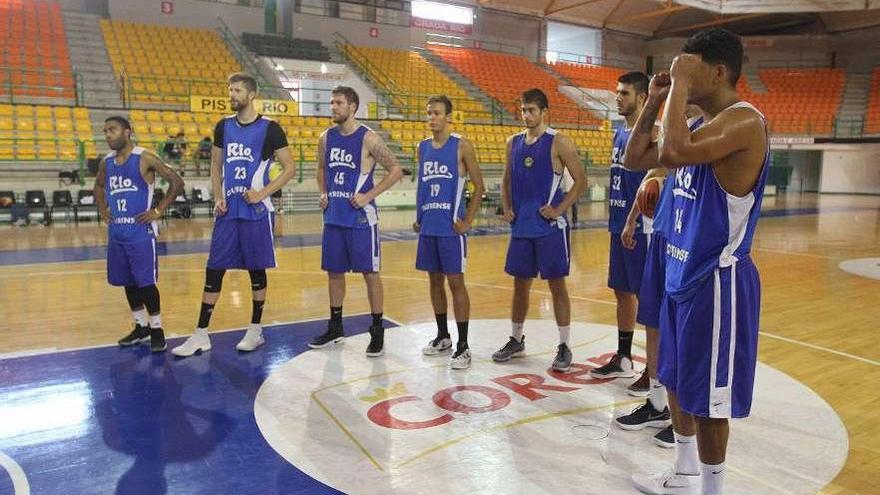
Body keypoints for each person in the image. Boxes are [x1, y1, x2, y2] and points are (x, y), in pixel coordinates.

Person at [632, 28, 769, 495]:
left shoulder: (745, 122)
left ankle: (712, 489)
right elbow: (636, 158)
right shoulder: (695, 126)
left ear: (717, 70)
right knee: (671, 377)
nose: (679, 73)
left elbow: (672, 153)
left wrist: (681, 86)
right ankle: (685, 472)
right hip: (679, 273)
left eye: (689, 66)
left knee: (710, 403)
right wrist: (654, 100)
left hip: (717, 280)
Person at [171, 72, 298, 357]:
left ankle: (255, 329)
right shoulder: (223, 126)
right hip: (228, 210)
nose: (232, 95)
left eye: (237, 91)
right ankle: (201, 334)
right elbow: (215, 166)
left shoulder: (270, 128)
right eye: (230, 90)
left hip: (256, 210)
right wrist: (218, 196)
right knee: (214, 267)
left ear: (251, 95)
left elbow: (289, 167)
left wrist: (263, 193)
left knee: (256, 269)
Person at [617, 78, 706, 449]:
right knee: (653, 322)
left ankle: (688, 414)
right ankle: (656, 402)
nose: (676, 99)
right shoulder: (674, 135)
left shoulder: (711, 136)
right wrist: (634, 215)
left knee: (680, 332)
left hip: (686, 245)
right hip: (660, 236)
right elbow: (647, 170)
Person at [491, 88, 587, 372]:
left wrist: (558, 210)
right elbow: (506, 179)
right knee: (520, 286)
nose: (527, 115)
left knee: (557, 286)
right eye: (523, 110)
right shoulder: (513, 142)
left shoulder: (559, 142)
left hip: (550, 228)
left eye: (532, 110)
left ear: (545, 112)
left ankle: (564, 345)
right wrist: (506, 206)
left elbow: (581, 181)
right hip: (521, 227)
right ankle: (517, 339)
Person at [308, 86, 403, 357]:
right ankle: (336, 327)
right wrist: (323, 193)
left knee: (370, 274)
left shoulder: (368, 138)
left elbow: (396, 170)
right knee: (334, 273)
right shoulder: (325, 138)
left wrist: (367, 196)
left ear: (352, 107)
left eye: (338, 103)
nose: (333, 107)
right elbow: (321, 169)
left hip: (362, 219)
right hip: (334, 217)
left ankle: (377, 330)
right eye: (331, 103)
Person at [95, 116, 184, 353]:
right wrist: (103, 210)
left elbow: (176, 181)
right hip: (117, 233)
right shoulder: (106, 162)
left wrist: (158, 210)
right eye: (105, 131)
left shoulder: (144, 157)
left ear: (127, 132)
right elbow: (98, 186)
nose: (107, 135)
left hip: (140, 233)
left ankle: (157, 329)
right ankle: (141, 326)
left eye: (112, 130)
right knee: (127, 281)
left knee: (145, 283)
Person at [414, 95, 484, 369]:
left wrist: (467, 220)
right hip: (428, 227)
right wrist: (418, 217)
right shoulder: (422, 147)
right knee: (434, 282)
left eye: (437, 113)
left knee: (456, 284)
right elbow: (422, 186)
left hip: (451, 229)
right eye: (429, 113)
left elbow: (479, 185)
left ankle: (464, 345)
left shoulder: (461, 145)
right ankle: (443, 336)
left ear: (448, 117)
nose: (432, 117)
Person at [591, 72, 652, 382]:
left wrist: (635, 219)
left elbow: (653, 183)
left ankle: (654, 370)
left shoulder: (651, 133)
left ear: (642, 98)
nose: (617, 97)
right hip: (618, 224)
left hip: (642, 228)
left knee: (647, 298)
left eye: (624, 93)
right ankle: (624, 356)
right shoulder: (618, 132)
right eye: (617, 92)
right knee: (622, 292)